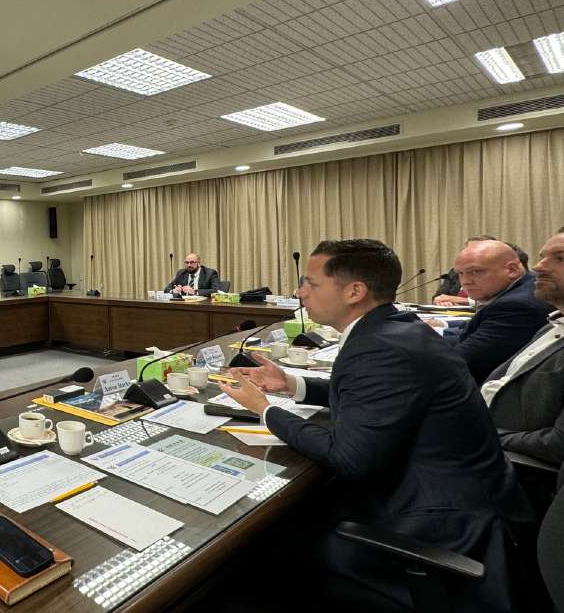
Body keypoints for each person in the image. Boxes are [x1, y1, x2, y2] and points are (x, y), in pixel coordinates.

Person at [221, 239, 531, 612]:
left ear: (354, 291)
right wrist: (291, 384)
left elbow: (349, 459)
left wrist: (265, 410)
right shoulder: (393, 327)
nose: (300, 292)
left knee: (258, 541)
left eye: (311, 283)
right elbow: (378, 394)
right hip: (465, 492)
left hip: (437, 520)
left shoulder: (378, 347)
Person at [483, 227, 564, 470]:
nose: (538, 266)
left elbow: (557, 444)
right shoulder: (550, 328)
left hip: (519, 468)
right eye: (542, 256)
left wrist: (486, 435)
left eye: (560, 258)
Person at [435, 239, 552, 383]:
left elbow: (459, 361)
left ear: (512, 270)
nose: (465, 281)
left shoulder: (516, 306)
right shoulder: (522, 289)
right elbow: (475, 334)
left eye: (475, 271)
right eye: (461, 273)